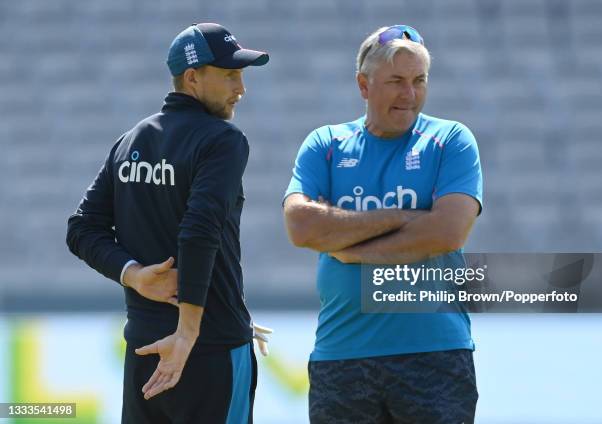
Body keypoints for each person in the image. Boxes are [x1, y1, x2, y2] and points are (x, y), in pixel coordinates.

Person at [66, 23, 271, 424]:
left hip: (143, 352)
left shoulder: (131, 140)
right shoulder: (223, 139)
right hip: (207, 348)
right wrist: (187, 332)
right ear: (192, 78)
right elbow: (198, 229)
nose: (241, 88)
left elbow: (81, 229)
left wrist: (134, 275)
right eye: (230, 75)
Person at [284, 25, 482, 423]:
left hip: (434, 357)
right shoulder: (325, 144)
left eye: (418, 81)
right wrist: (405, 217)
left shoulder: (452, 140)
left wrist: (348, 248)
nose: (409, 95)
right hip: (342, 356)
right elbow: (302, 227)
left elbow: (447, 232)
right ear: (364, 84)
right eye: (395, 81)